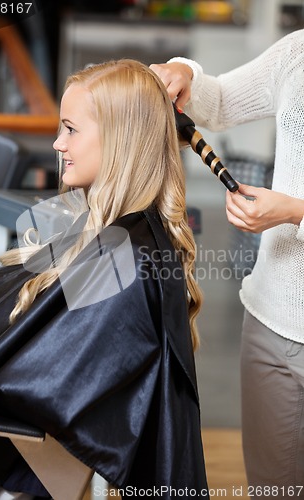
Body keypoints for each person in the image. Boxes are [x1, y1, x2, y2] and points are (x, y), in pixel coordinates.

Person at [0, 60, 209, 499]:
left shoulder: (126, 257)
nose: (58, 143)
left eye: (71, 129)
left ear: (121, 141)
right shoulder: (109, 230)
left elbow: (48, 378)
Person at [151, 29, 304, 497]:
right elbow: (219, 100)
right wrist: (185, 73)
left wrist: (296, 212)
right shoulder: (298, 51)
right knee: (273, 489)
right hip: (271, 323)